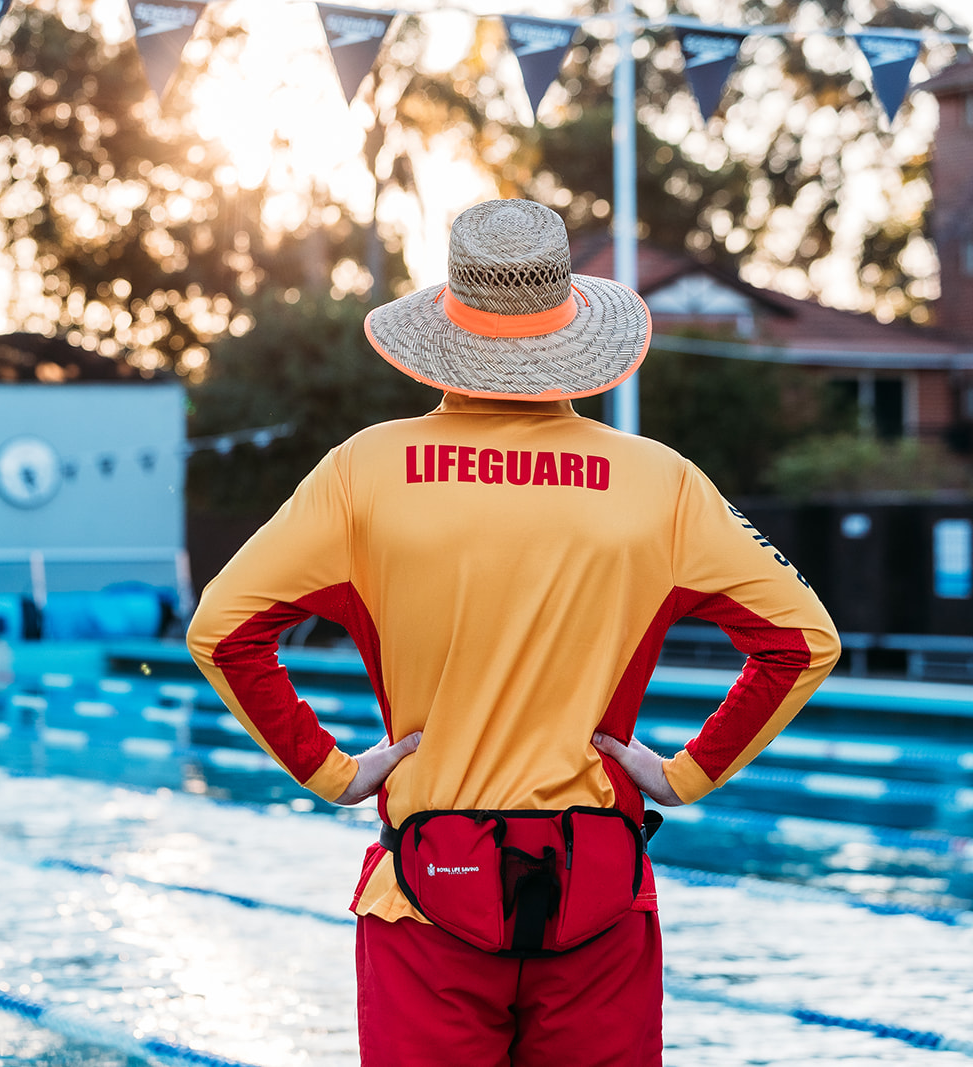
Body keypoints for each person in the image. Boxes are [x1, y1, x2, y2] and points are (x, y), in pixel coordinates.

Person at [186, 198, 839, 1066]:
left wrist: (333, 771)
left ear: (445, 329)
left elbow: (222, 630)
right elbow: (803, 639)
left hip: (424, 900)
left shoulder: (366, 470)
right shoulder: (659, 482)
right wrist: (685, 776)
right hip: (600, 896)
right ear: (571, 331)